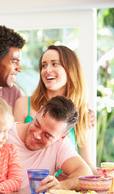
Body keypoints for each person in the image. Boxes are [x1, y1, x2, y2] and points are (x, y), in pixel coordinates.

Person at [13, 45, 96, 174]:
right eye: (44, 65)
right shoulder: (23, 104)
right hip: (24, 184)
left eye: (54, 64)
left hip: (61, 190)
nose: (47, 70)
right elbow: (11, 152)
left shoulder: (81, 113)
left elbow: (87, 164)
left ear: (70, 70)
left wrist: (103, 182)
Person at [8, 96, 93, 192]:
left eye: (47, 135)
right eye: (37, 124)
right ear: (39, 111)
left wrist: (62, 185)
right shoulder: (5, 133)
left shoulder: (60, 145)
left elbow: (85, 174)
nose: (37, 135)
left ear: (62, 137)